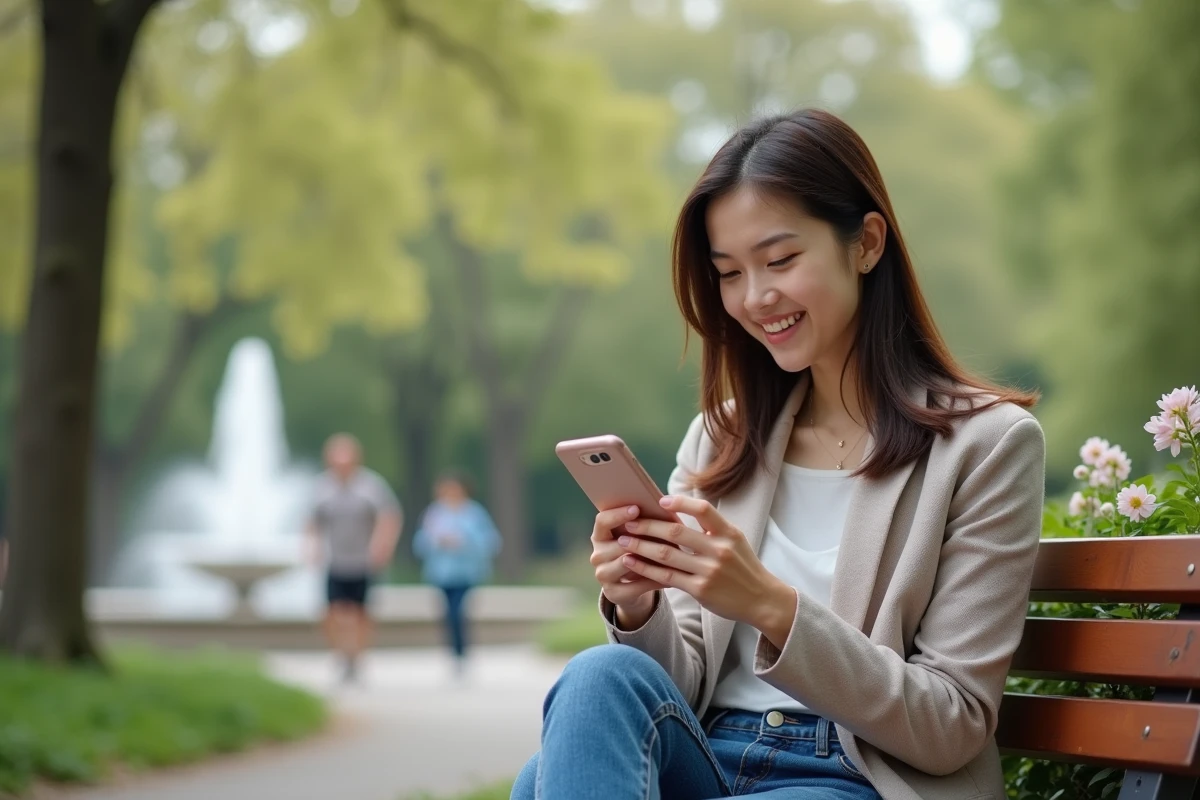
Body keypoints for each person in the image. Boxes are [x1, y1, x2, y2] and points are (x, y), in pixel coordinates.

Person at [512, 108, 1046, 800]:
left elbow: (952, 724)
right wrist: (638, 604)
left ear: (867, 243)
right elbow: (680, 684)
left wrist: (772, 607)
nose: (755, 298)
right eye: (729, 272)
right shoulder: (722, 438)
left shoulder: (985, 447)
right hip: (705, 757)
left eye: (781, 260)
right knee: (596, 677)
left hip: (854, 775)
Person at [305, 433, 403, 683]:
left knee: (361, 613)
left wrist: (382, 545)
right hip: (336, 560)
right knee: (331, 612)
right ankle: (341, 654)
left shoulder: (371, 486)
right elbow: (312, 521)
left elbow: (389, 516)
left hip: (363, 561)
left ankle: (358, 658)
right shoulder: (322, 487)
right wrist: (312, 546)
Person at [412, 472, 501, 677]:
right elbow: (420, 544)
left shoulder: (474, 513)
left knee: (459, 612)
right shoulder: (434, 514)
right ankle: (453, 651)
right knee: (447, 613)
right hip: (441, 574)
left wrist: (464, 542)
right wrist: (439, 541)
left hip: (467, 573)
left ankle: (462, 651)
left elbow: (490, 542)